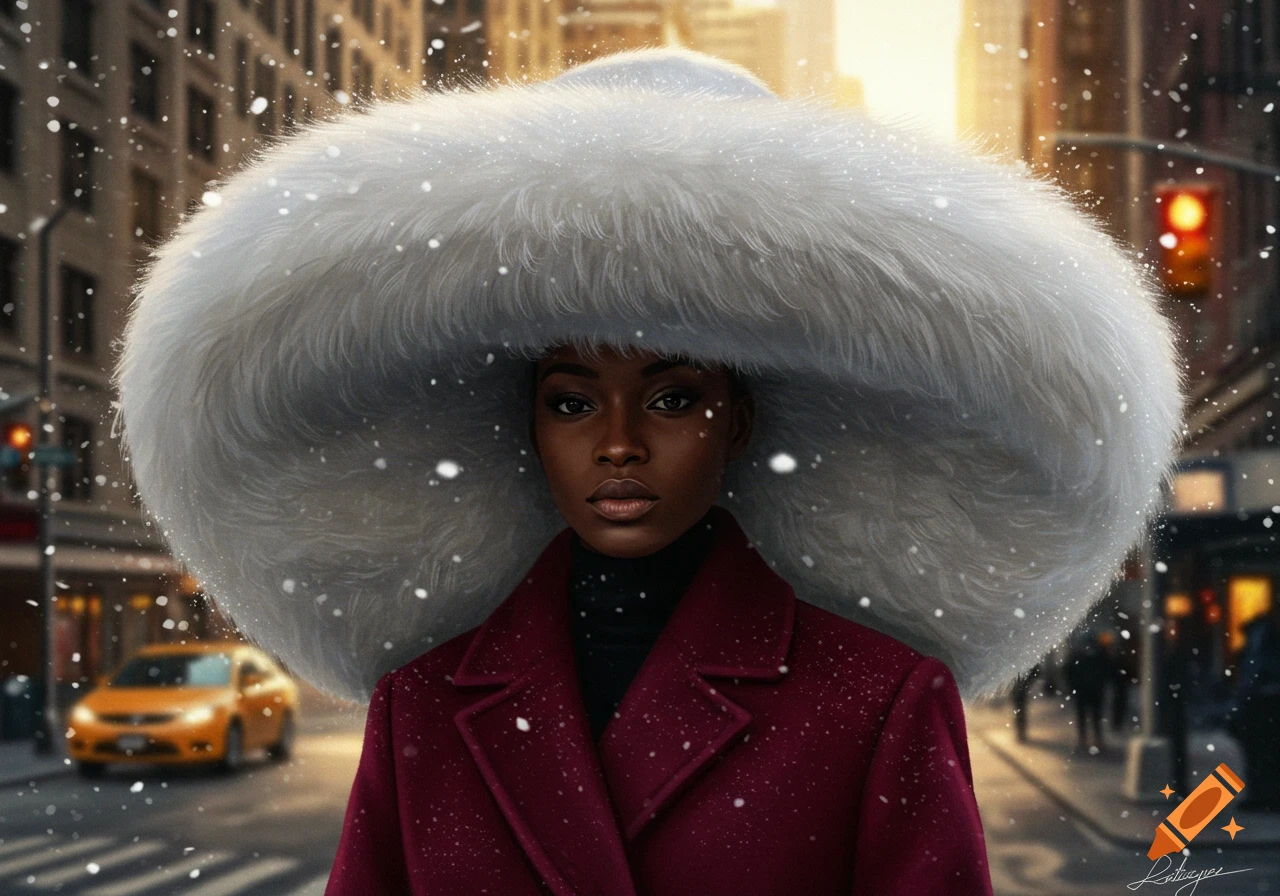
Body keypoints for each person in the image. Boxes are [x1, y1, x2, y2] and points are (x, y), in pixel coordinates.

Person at [115, 47, 1184, 895]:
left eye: (672, 397)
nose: (616, 442)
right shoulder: (422, 708)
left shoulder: (878, 702)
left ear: (736, 417)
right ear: (527, 426)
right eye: (571, 401)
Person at [1228, 615, 1280, 809]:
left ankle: (1263, 796)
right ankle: (1263, 795)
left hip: (1260, 709)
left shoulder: (1259, 653)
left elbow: (1252, 682)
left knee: (1261, 758)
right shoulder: (1259, 651)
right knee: (1263, 758)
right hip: (1259, 710)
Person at [1065, 631, 1110, 754]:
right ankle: (1089, 740)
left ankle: (1088, 740)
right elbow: (1069, 671)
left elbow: (1069, 671)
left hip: (1088, 690)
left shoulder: (1080, 656)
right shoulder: (1097, 655)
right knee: (1091, 716)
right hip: (1089, 690)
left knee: (1089, 716)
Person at [1011, 662, 1043, 743]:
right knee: (1020, 709)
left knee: (1019, 710)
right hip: (1020, 689)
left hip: (1020, 689)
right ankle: (1021, 732)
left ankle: (1021, 732)